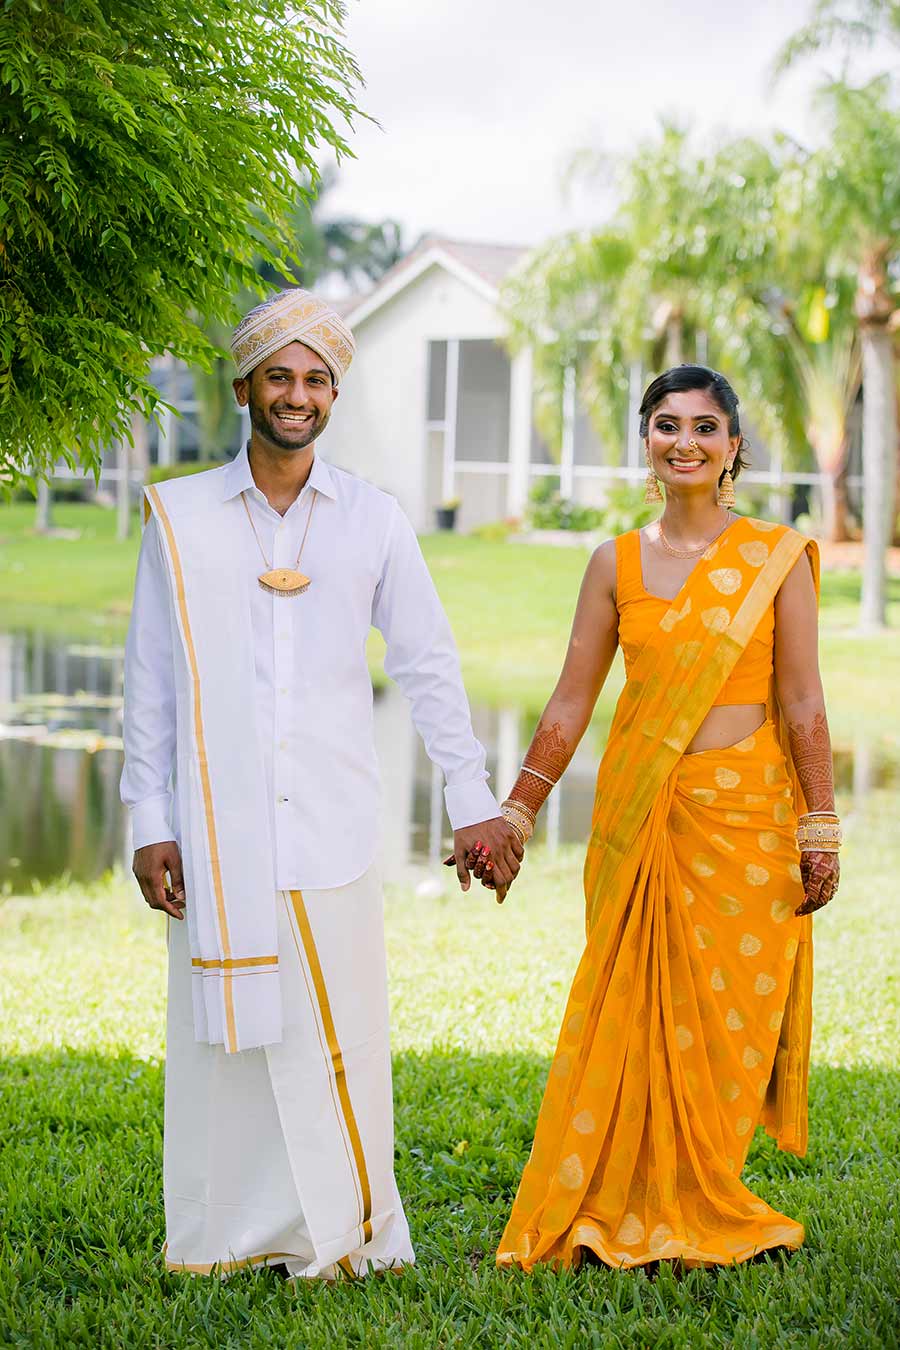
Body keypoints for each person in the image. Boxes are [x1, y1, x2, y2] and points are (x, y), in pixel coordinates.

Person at [120, 287, 523, 1281]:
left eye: (314, 379)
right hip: (219, 833)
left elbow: (428, 664)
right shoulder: (180, 518)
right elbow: (149, 678)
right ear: (245, 385)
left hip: (338, 821)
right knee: (228, 1058)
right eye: (278, 376)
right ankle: (222, 1239)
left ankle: (343, 1235)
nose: (295, 394)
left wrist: (472, 801)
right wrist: (147, 817)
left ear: (332, 394)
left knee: (339, 1040)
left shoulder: (374, 521)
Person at [494, 365, 841, 1271]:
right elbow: (572, 701)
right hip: (642, 814)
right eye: (665, 425)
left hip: (747, 820)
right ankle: (619, 1201)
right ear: (644, 440)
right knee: (631, 1010)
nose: (684, 441)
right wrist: (519, 812)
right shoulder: (616, 561)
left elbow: (802, 700)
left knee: (728, 1027)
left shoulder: (775, 558)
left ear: (733, 447)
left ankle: (704, 1192)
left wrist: (822, 825)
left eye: (704, 426)